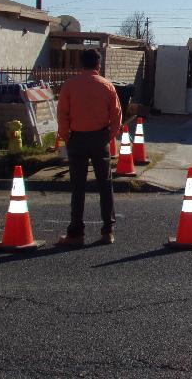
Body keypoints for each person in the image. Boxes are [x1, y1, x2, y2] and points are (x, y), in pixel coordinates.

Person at [56, 49, 122, 246]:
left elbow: (62, 115)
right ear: (98, 65)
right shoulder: (107, 86)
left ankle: (76, 233)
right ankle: (108, 230)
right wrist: (108, 136)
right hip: (100, 138)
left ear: (81, 64)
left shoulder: (70, 85)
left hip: (77, 138)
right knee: (105, 184)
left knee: (78, 187)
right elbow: (117, 115)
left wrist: (67, 136)